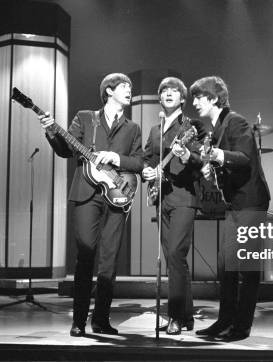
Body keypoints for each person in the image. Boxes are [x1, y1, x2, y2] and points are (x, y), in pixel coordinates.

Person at [39, 73, 144, 337]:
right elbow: (65, 149)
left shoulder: (133, 128)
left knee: (109, 262)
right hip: (86, 194)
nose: (129, 90)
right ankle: (78, 321)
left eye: (130, 87)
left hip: (118, 196)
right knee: (85, 255)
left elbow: (139, 163)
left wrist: (116, 158)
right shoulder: (86, 118)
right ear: (109, 91)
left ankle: (101, 320)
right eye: (124, 87)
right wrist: (51, 130)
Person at [176, 76, 270, 342]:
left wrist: (216, 156)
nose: (194, 103)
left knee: (246, 269)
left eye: (198, 97)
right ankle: (225, 321)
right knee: (226, 266)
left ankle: (241, 328)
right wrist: (210, 167)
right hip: (236, 203)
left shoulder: (236, 121)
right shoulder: (217, 127)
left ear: (214, 98)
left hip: (251, 201)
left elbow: (245, 158)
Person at [142, 77, 203, 335]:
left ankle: (175, 316)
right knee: (173, 259)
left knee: (176, 254)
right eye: (164, 90)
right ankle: (186, 316)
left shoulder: (190, 126)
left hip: (184, 197)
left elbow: (202, 160)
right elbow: (146, 158)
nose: (168, 94)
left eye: (174, 91)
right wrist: (146, 171)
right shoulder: (155, 130)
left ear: (182, 98)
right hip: (162, 197)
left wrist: (188, 156)